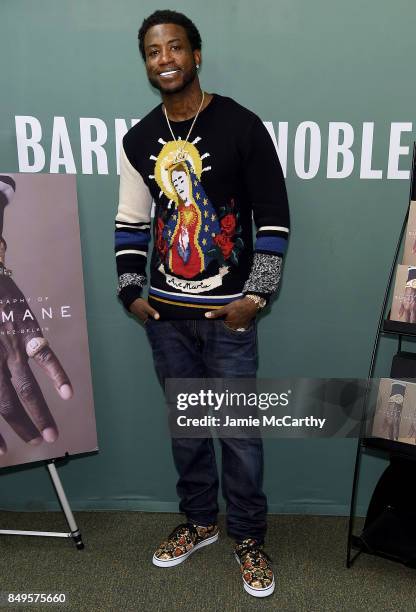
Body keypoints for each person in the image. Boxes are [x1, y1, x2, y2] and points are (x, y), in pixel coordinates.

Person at [115, 10, 289, 598]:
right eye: (152, 51)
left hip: (228, 315)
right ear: (146, 62)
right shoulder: (140, 140)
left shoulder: (240, 125)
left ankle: (248, 538)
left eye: (175, 47)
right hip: (165, 316)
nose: (164, 59)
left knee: (238, 431)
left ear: (197, 54)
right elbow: (131, 222)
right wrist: (130, 294)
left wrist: (257, 295)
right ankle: (199, 523)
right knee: (187, 430)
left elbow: (274, 217)